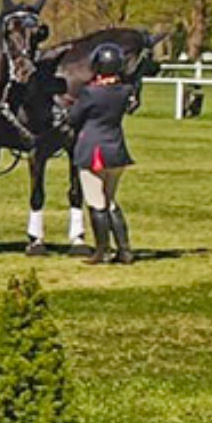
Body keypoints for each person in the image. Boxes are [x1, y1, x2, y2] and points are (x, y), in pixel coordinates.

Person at [68, 42, 137, 264]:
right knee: (111, 202)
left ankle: (102, 251)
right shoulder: (125, 91)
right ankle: (124, 250)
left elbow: (74, 118)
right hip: (116, 150)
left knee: (97, 202)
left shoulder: (91, 92)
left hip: (94, 150)